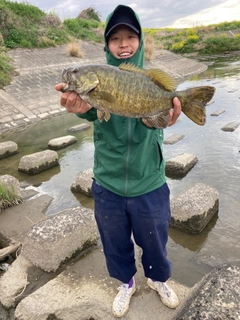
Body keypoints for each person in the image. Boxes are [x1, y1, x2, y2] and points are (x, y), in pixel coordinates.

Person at [55, 4, 181, 318]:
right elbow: (87, 109)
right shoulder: (93, 89)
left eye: (130, 37)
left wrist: (166, 117)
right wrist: (76, 105)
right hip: (108, 183)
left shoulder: (149, 81)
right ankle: (126, 283)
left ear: (139, 42)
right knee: (115, 243)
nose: (123, 43)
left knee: (155, 242)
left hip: (149, 181)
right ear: (107, 47)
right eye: (115, 39)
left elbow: (159, 118)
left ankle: (157, 279)